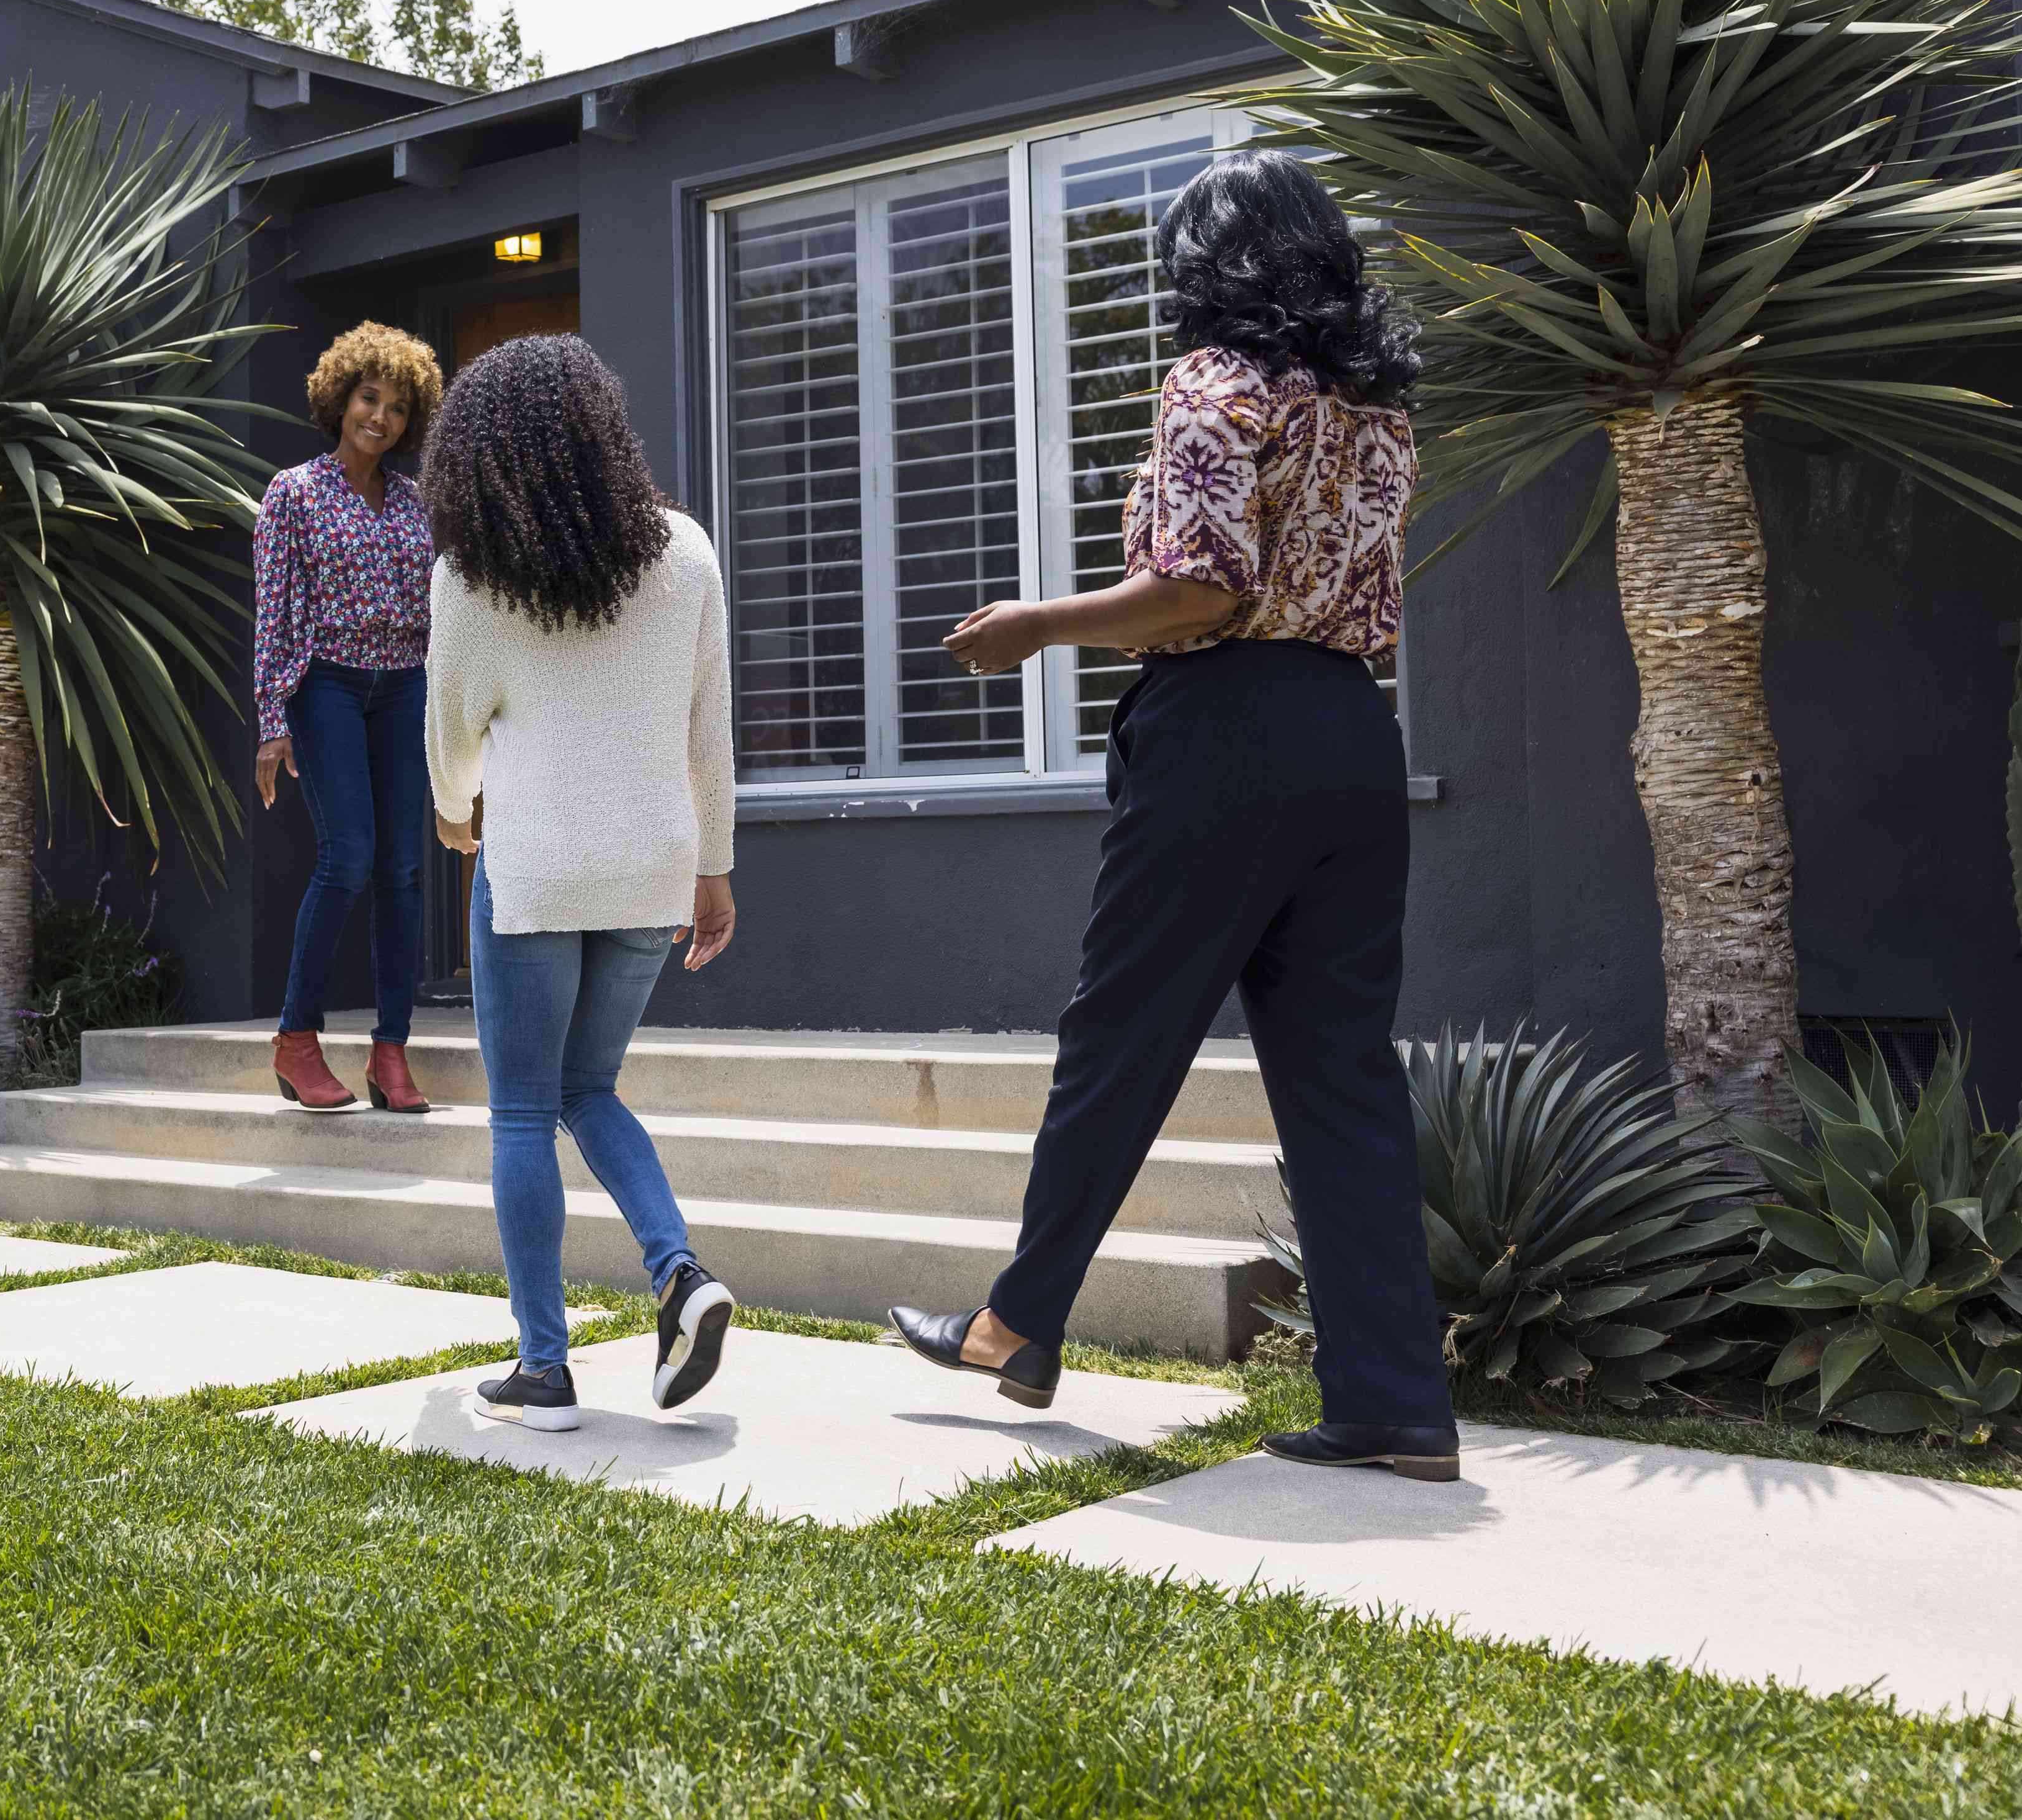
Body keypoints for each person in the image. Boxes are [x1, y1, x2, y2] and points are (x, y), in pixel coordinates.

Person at [884, 148, 1461, 1484]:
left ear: (1206, 266)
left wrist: (1034, 628)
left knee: (1120, 1039)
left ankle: (1014, 1324)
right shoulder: (1376, 410)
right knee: (1339, 1076)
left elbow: (1198, 591)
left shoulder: (1209, 388)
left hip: (1224, 738)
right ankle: (1392, 1404)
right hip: (1349, 739)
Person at [423, 334, 740, 1432]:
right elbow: (711, 735)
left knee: (522, 1107)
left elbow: (450, 733)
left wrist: (458, 814)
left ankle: (544, 1367)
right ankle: (679, 1272)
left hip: (537, 867)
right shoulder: (688, 552)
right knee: (588, 1088)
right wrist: (715, 866)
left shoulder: (472, 575)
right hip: (653, 863)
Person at [253, 322, 444, 1114]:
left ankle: (390, 1052)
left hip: (404, 686)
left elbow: (441, 606)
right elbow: (273, 607)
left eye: (399, 407)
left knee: (403, 867)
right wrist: (272, 717)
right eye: (371, 399)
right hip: (326, 683)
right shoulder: (294, 492)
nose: (382, 418)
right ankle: (297, 1040)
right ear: (341, 399)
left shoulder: (414, 500)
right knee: (349, 857)